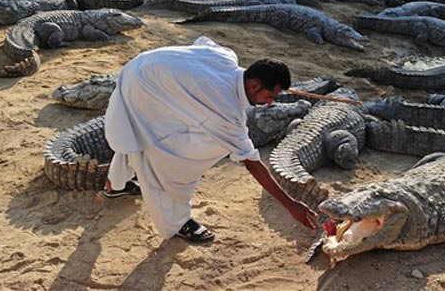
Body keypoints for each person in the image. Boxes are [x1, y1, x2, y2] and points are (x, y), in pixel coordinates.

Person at [102, 36, 318, 242]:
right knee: (166, 153)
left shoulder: (226, 57)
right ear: (254, 85)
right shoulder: (226, 111)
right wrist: (291, 205)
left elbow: (202, 42)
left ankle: (115, 184)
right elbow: (252, 163)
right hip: (145, 87)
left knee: (133, 130)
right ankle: (176, 223)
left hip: (139, 66)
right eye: (270, 96)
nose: (270, 103)